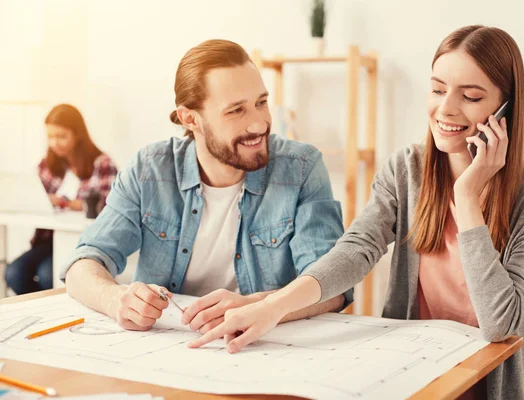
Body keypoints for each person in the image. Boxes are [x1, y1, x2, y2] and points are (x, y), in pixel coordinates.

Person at [191, 26, 524, 400]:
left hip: (488, 385)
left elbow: (500, 323)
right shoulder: (406, 169)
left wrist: (468, 198)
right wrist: (272, 307)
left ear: (505, 109)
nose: (446, 108)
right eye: (438, 89)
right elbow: (356, 250)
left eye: (471, 96)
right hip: (412, 377)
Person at [62, 39, 351, 334]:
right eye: (236, 110)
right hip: (166, 346)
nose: (259, 124)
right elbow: (82, 264)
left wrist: (259, 307)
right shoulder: (150, 169)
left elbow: (332, 285)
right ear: (190, 119)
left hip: (264, 348)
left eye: (261, 103)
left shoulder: (301, 167)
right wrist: (116, 300)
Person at [4, 104, 118, 294]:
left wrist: (63, 202)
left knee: (49, 274)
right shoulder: (48, 164)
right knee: (14, 273)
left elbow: (106, 205)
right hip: (48, 240)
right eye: (50, 137)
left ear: (78, 135)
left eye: (61, 136)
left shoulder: (102, 164)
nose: (55, 142)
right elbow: (34, 195)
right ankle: (39, 316)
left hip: (82, 240)